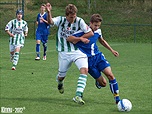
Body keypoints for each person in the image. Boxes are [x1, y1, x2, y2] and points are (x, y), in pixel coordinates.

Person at [67, 14, 121, 104]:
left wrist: (112, 50)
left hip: (98, 57)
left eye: (98, 26)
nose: (97, 27)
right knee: (103, 84)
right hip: (88, 61)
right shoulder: (82, 32)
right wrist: (80, 39)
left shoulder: (98, 31)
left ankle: (117, 99)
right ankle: (98, 81)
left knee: (110, 75)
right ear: (90, 23)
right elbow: (69, 39)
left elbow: (102, 41)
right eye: (95, 25)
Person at [46, 3, 94, 105]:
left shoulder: (79, 21)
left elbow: (90, 33)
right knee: (61, 76)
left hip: (78, 51)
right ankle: (60, 82)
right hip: (64, 53)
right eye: (71, 17)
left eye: (74, 16)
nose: (73, 19)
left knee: (84, 69)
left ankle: (78, 95)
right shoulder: (61, 20)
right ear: (66, 15)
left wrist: (80, 39)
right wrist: (49, 12)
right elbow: (50, 22)